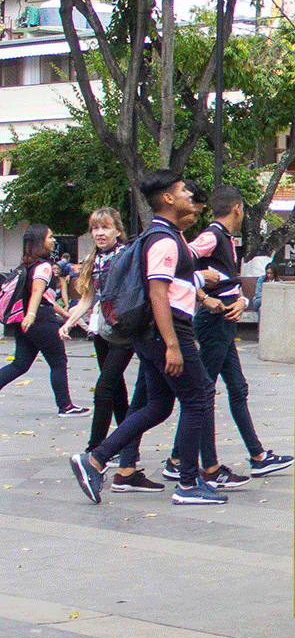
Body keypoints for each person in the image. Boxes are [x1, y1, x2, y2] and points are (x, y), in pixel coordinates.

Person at [68, 170, 223, 507]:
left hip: (152, 332)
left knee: (157, 406)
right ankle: (187, 483)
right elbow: (157, 291)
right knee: (198, 398)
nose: (191, 197)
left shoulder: (166, 235)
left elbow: (169, 284)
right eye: (183, 191)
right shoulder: (165, 239)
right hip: (166, 331)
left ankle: (94, 460)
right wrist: (172, 345)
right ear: (168, 199)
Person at [184, 186, 292, 478]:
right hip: (214, 320)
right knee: (204, 391)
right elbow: (181, 259)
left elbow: (229, 283)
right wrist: (206, 298)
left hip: (223, 321)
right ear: (237, 209)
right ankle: (204, 465)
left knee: (237, 387)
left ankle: (257, 455)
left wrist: (240, 300)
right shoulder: (212, 236)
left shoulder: (226, 239)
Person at [61, 209, 160, 491]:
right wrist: (68, 322)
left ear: (117, 231)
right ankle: (127, 450)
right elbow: (88, 299)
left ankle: (95, 452)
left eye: (105, 227)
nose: (100, 233)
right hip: (102, 330)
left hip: (124, 330)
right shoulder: (95, 260)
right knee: (116, 392)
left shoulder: (125, 255)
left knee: (104, 388)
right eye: (95, 228)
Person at [0, 225, 89, 417]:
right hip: (39, 320)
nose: (53, 240)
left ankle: (65, 406)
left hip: (22, 321)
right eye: (49, 237)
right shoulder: (44, 266)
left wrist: (66, 315)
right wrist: (32, 315)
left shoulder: (25, 266)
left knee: (20, 364)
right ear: (41, 241)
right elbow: (37, 293)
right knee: (58, 361)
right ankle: (65, 406)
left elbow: (46, 298)